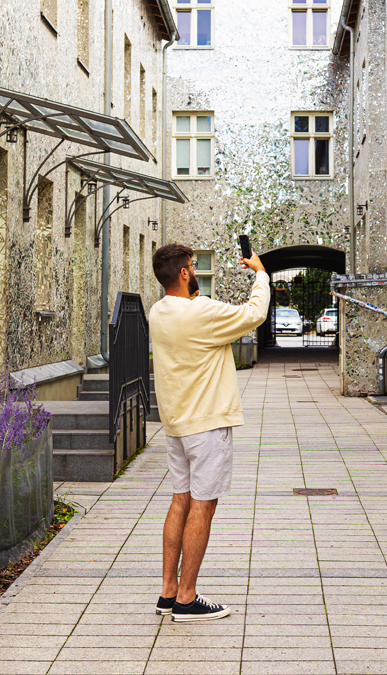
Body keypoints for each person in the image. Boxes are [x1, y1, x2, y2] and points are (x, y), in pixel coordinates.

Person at [148, 243, 269, 622]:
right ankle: (187, 599)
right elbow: (255, 313)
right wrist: (261, 274)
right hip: (207, 427)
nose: (197, 270)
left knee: (180, 501)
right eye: (193, 265)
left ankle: (168, 592)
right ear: (184, 273)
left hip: (176, 426)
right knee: (203, 505)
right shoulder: (201, 312)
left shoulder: (158, 312)